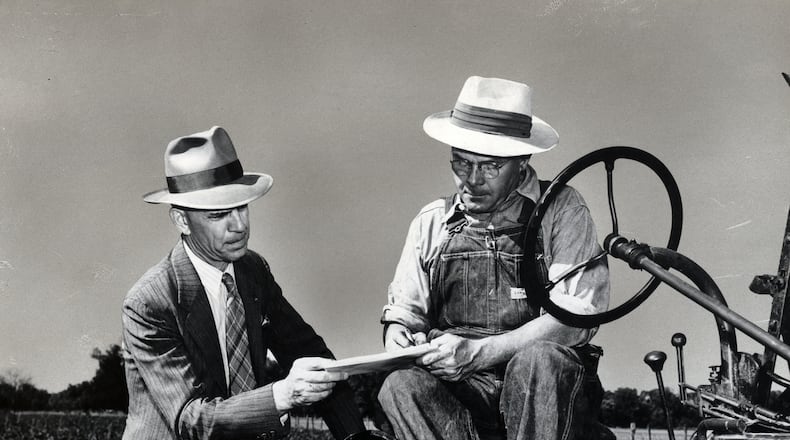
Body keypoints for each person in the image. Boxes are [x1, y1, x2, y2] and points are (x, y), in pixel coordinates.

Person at [377, 76, 611, 440]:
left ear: (522, 161)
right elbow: (405, 314)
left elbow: (575, 316)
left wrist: (482, 352)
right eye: (461, 163)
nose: (472, 180)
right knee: (401, 385)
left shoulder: (560, 208)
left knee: (541, 362)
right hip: (461, 392)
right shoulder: (432, 221)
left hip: (547, 392)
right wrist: (399, 337)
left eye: (489, 166)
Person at [122, 126, 367, 440]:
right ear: (182, 220)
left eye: (242, 207)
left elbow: (311, 355)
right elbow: (192, 420)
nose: (239, 225)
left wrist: (355, 437)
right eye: (218, 215)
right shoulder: (150, 302)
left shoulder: (253, 271)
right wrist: (283, 395)